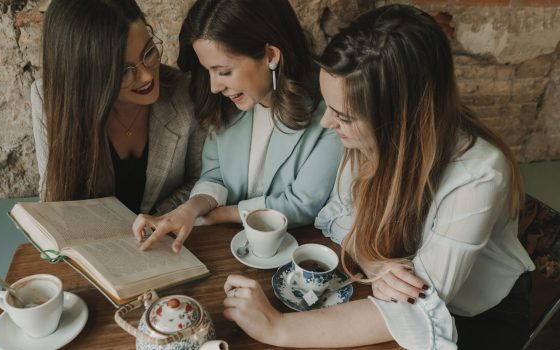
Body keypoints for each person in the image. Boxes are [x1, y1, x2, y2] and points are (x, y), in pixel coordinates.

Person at [221, 5, 535, 349]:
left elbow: (419, 308)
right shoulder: (368, 135)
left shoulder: (479, 176)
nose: (326, 123)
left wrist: (276, 327)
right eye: (329, 106)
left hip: (476, 319)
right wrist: (379, 266)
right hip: (393, 290)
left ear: (399, 119)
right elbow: (339, 216)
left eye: (343, 115)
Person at [132, 0, 343, 253]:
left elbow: (301, 205)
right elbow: (215, 175)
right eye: (208, 70)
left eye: (223, 71)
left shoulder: (330, 110)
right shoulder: (224, 106)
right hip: (230, 249)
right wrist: (190, 209)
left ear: (271, 55)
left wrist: (217, 215)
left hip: (297, 252)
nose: (214, 86)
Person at [31, 0, 203, 214]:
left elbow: (200, 180)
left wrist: (157, 221)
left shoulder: (185, 94)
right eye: (123, 71)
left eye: (148, 52)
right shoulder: (49, 99)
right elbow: (54, 196)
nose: (147, 75)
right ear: (84, 76)